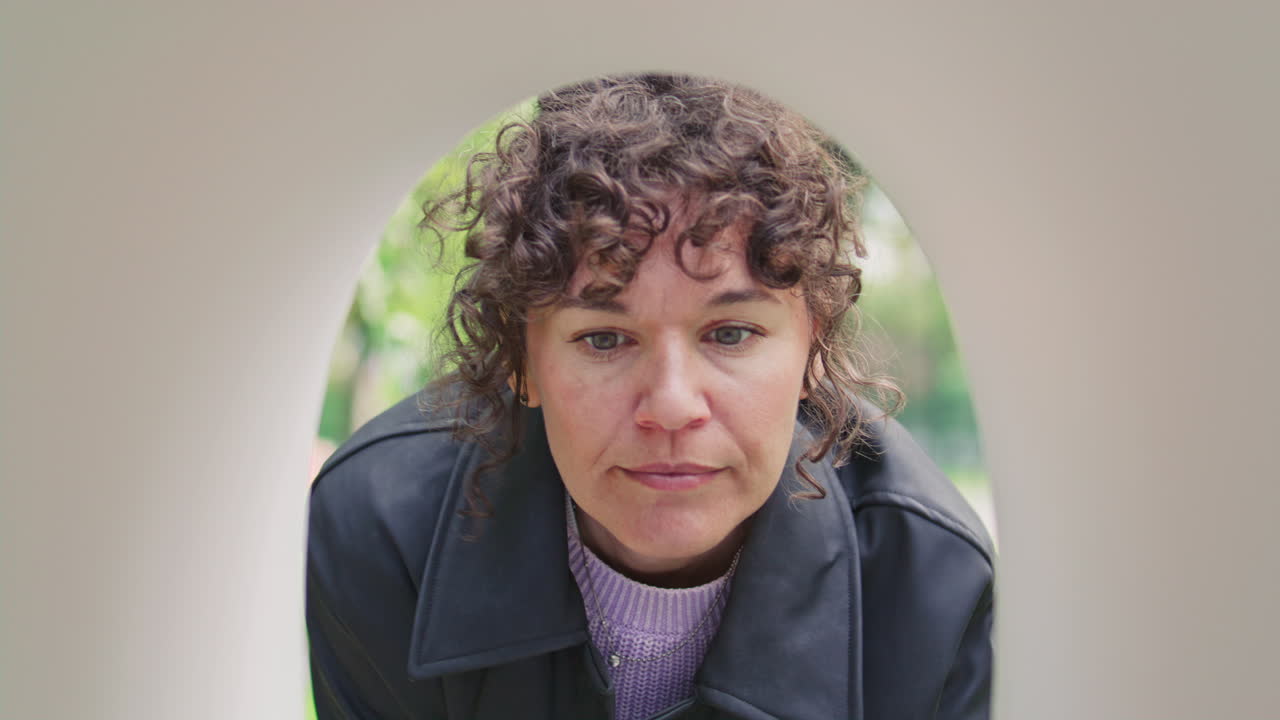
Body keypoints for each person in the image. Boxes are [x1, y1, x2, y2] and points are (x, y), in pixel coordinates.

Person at [306, 74, 995, 720]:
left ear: (813, 347)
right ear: (522, 358)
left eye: (730, 333)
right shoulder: (383, 536)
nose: (670, 406)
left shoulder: (929, 584)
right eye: (605, 339)